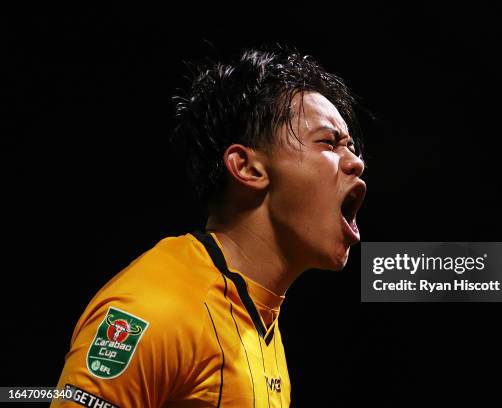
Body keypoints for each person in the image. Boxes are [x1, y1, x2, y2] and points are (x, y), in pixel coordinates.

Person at [52, 44, 366, 408]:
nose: (356, 162)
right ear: (248, 168)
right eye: (329, 143)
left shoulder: (261, 318)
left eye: (353, 147)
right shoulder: (151, 309)